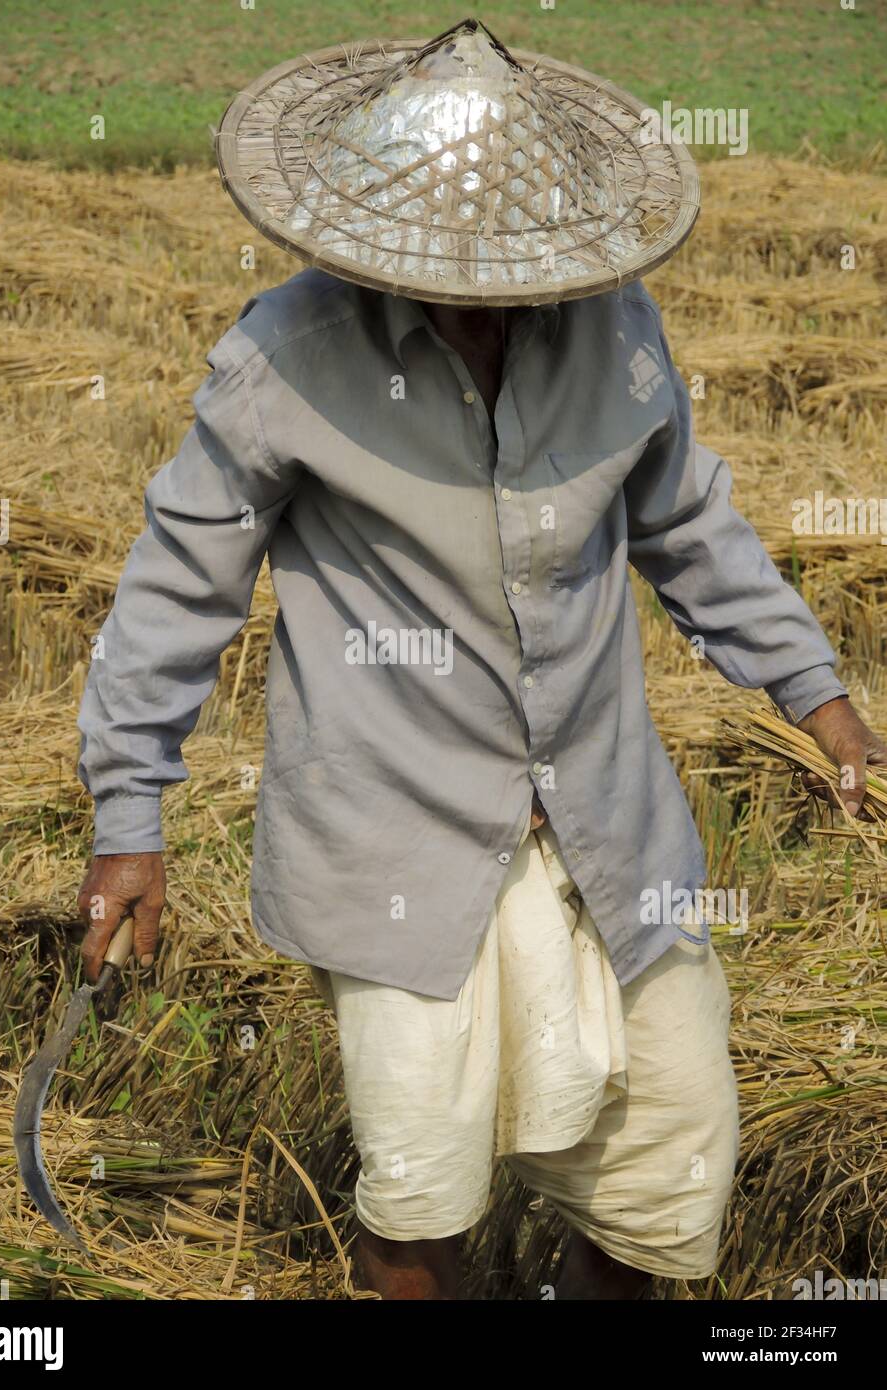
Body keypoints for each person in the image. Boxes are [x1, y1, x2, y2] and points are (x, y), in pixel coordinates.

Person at [75, 20, 886, 1298]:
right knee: (421, 1192)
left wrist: (822, 698)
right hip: (395, 830)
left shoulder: (614, 332)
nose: (482, 295)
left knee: (669, 1167)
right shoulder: (292, 357)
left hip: (608, 826)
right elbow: (179, 585)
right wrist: (131, 814)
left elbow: (689, 530)